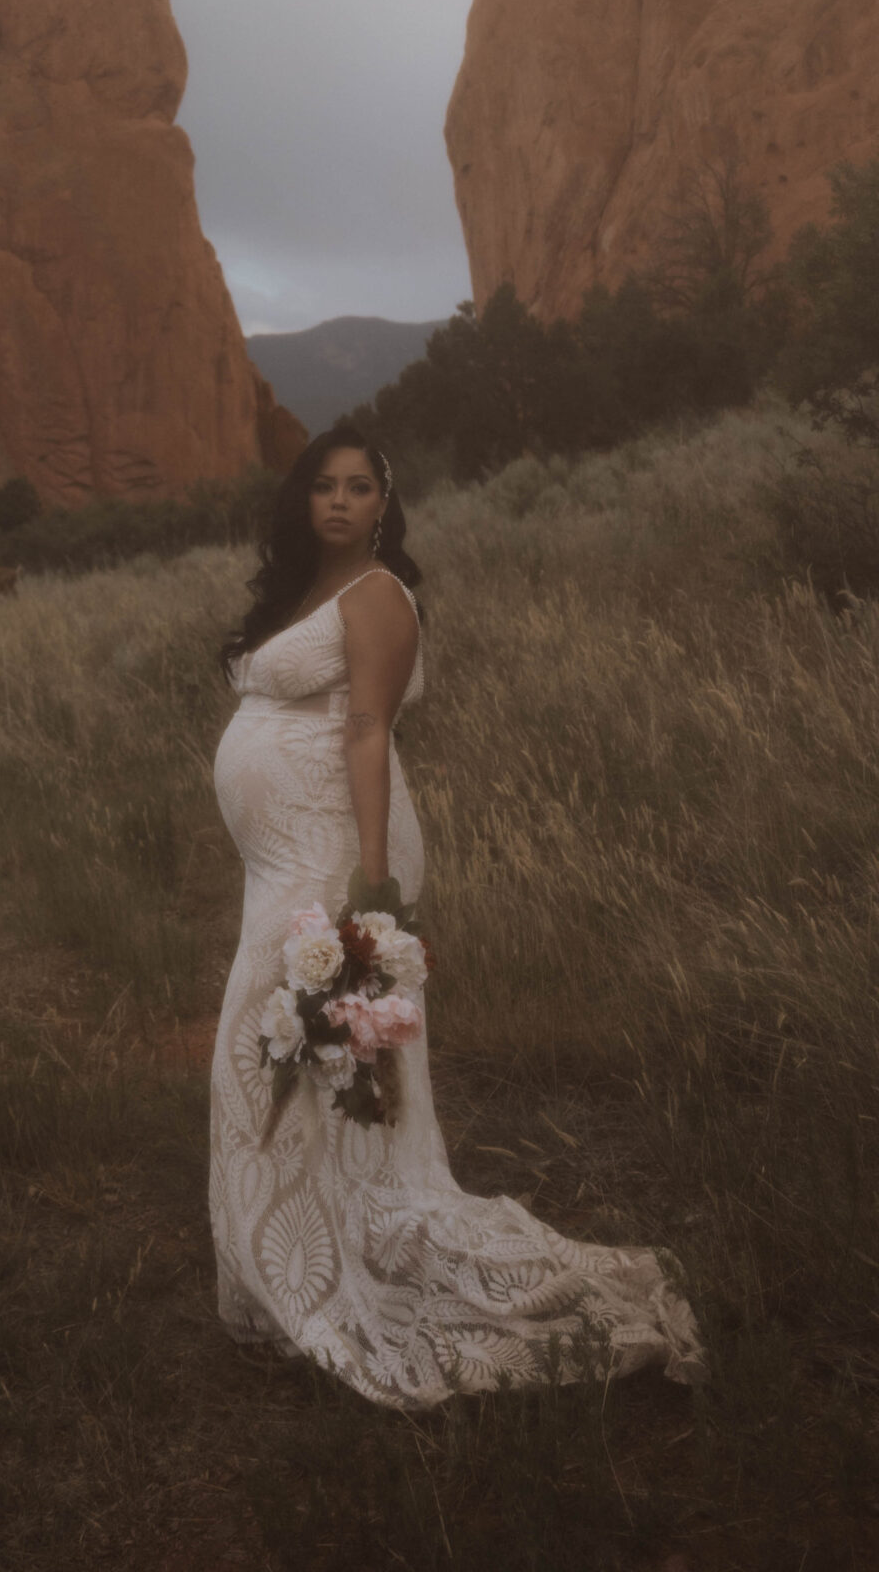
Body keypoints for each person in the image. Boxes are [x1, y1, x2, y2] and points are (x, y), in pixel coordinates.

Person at [209, 423, 705, 1407]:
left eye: (360, 487)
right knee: (286, 1055)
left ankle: (343, 1264)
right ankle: (291, 1270)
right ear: (301, 502)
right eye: (325, 486)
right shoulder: (300, 593)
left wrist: (376, 885)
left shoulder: (379, 594)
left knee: (304, 1050)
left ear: (384, 505)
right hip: (278, 858)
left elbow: (365, 730)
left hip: (339, 850)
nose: (342, 502)